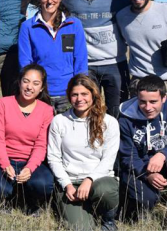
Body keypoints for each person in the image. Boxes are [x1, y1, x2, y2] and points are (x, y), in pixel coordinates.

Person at [118, 75, 167, 226]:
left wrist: (162, 155)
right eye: (142, 102)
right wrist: (147, 173)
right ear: (137, 98)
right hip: (139, 168)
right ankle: (134, 208)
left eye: (153, 101)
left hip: (166, 164)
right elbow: (127, 157)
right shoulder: (125, 119)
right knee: (146, 199)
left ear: (163, 98)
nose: (148, 107)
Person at [61, 0, 131, 118]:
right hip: (86, 66)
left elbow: (144, 5)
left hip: (115, 63)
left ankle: (117, 145)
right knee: (88, 113)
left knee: (118, 112)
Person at [47, 74, 119, 231]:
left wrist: (89, 179)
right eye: (75, 94)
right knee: (81, 228)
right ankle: (84, 211)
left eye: (84, 94)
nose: (80, 99)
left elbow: (108, 160)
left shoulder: (109, 122)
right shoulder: (59, 121)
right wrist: (66, 185)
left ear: (93, 94)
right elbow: (53, 158)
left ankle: (107, 217)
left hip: (99, 180)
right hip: (71, 183)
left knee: (104, 190)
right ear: (69, 96)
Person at [0, 64, 54, 216]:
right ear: (19, 82)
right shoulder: (2, 104)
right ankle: (4, 202)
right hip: (4, 160)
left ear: (42, 88)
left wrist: (30, 168)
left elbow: (41, 145)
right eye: (26, 81)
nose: (29, 87)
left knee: (43, 184)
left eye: (35, 83)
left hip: (31, 161)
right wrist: (5, 164)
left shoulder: (46, 110)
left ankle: (33, 203)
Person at [19, 0, 88, 114]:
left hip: (68, 94)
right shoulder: (27, 27)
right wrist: (35, 90)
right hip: (41, 95)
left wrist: (79, 90)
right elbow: (25, 63)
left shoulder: (74, 24)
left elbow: (80, 60)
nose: (50, 1)